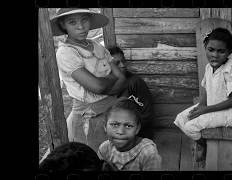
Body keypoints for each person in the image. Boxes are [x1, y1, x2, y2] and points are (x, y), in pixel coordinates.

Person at [50, 8, 127, 152]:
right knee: (93, 155)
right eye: (72, 22)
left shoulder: (97, 46)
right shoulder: (66, 52)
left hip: (113, 110)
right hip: (89, 115)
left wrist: (104, 85)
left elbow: (122, 78)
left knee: (114, 153)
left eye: (84, 20)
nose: (81, 27)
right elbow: (97, 87)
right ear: (63, 25)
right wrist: (109, 80)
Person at [173, 27, 232, 141]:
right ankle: (205, 144)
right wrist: (202, 105)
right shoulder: (209, 68)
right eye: (211, 50)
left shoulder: (230, 71)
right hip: (212, 106)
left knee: (190, 127)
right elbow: (208, 89)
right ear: (205, 48)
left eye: (221, 51)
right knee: (181, 119)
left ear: (229, 52)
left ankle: (206, 147)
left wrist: (205, 110)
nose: (215, 55)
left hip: (229, 112)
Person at [97, 97, 162, 171]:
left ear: (137, 129)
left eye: (128, 126)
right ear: (105, 126)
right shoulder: (105, 149)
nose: (120, 132)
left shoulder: (148, 153)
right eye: (115, 124)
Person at [107, 46, 154, 139]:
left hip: (136, 134)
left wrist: (131, 132)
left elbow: (147, 115)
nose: (122, 65)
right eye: (117, 63)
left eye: (123, 61)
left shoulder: (135, 83)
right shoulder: (103, 84)